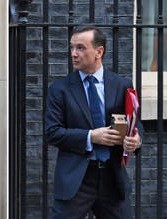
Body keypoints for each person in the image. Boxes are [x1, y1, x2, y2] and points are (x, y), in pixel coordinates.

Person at [45, 25, 142, 219]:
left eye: (80, 48)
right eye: (72, 47)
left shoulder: (122, 84)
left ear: (99, 52)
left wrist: (136, 140)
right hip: (77, 180)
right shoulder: (60, 89)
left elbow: (135, 125)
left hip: (112, 178)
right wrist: (91, 136)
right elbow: (52, 132)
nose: (73, 53)